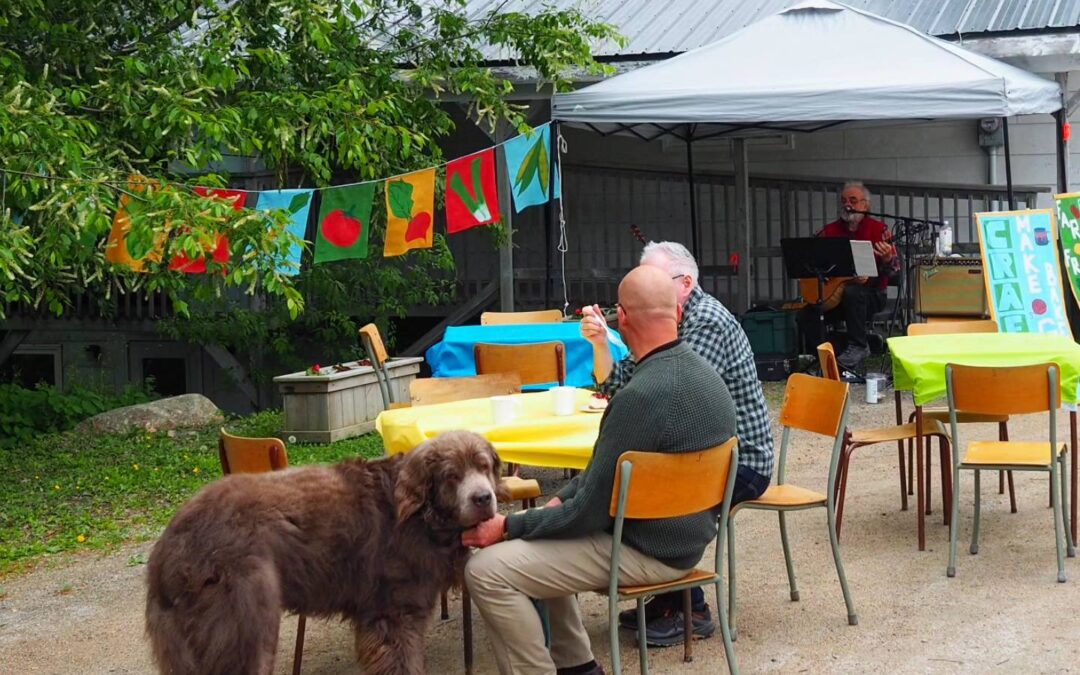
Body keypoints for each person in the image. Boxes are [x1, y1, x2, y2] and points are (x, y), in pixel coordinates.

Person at [462, 265, 738, 675]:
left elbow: (588, 514)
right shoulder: (709, 380)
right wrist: (553, 506)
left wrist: (506, 527)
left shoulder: (639, 397)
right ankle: (578, 667)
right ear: (677, 313)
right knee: (541, 534)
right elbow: (596, 483)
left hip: (644, 549)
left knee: (486, 570)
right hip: (683, 542)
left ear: (621, 319)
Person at [579, 240, 774, 646]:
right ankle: (670, 595)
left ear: (685, 284)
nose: (645, 287)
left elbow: (670, 394)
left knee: (649, 489)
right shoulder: (667, 320)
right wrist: (600, 343)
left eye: (656, 279)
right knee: (643, 478)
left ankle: (689, 606)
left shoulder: (707, 323)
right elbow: (620, 382)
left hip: (742, 461)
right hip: (703, 451)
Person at [797, 181, 900, 374]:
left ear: (865, 205)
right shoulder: (830, 230)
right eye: (843, 201)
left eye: (853, 200)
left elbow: (895, 271)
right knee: (806, 314)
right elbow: (812, 258)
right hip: (836, 295)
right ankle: (829, 356)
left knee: (854, 292)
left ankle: (859, 346)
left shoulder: (879, 230)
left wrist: (887, 260)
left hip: (871, 295)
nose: (847, 205)